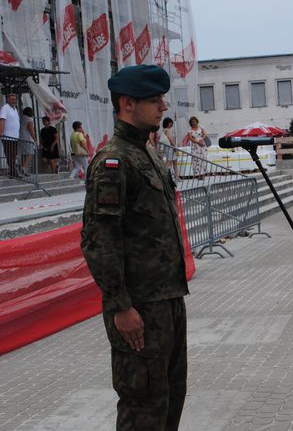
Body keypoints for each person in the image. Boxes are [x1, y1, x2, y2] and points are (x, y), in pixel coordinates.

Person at [80, 64, 189, 431]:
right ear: (128, 103)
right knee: (143, 407)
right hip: (139, 306)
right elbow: (98, 239)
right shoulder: (114, 161)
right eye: (154, 99)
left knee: (170, 399)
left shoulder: (148, 154)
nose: (163, 106)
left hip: (167, 300)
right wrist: (120, 305)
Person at [0, 93, 20, 177]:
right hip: (7, 136)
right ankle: (13, 172)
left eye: (15, 99)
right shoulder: (5, 108)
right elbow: (2, 120)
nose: (14, 101)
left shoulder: (15, 109)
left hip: (15, 137)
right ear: (8, 100)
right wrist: (1, 131)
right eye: (12, 99)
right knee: (10, 155)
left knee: (13, 155)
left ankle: (12, 171)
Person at [18, 107, 36, 176]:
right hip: (27, 138)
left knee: (23, 154)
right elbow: (31, 130)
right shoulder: (29, 119)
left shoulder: (21, 117)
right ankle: (24, 167)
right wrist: (35, 139)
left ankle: (23, 170)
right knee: (31, 153)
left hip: (20, 137)